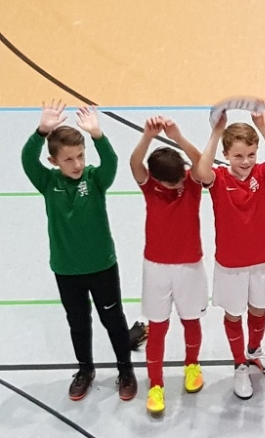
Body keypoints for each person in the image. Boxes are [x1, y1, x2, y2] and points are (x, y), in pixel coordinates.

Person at [21, 101, 137, 401]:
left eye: (81, 156)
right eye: (69, 159)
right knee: (78, 323)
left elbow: (111, 162)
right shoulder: (47, 182)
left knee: (113, 320)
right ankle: (85, 370)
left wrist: (98, 135)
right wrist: (41, 131)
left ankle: (126, 370)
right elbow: (27, 160)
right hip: (66, 269)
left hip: (102, 266)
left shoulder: (95, 179)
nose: (77, 164)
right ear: (53, 161)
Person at [193, 106, 265, 399]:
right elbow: (201, 171)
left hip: (260, 259)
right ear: (225, 155)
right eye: (238, 156)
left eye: (251, 154)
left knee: (258, 310)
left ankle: (255, 350)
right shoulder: (219, 178)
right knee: (234, 315)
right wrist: (216, 132)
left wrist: (264, 129)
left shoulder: (261, 172)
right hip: (230, 264)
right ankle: (239, 365)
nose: (245, 161)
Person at [130, 115, 208, 414]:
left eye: (180, 179)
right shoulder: (149, 186)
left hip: (190, 266)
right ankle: (156, 385)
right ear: (157, 179)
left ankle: (192, 366)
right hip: (156, 268)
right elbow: (135, 164)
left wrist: (178, 136)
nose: (178, 186)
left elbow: (200, 162)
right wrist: (147, 137)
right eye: (171, 183)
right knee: (158, 327)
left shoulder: (191, 182)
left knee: (191, 321)